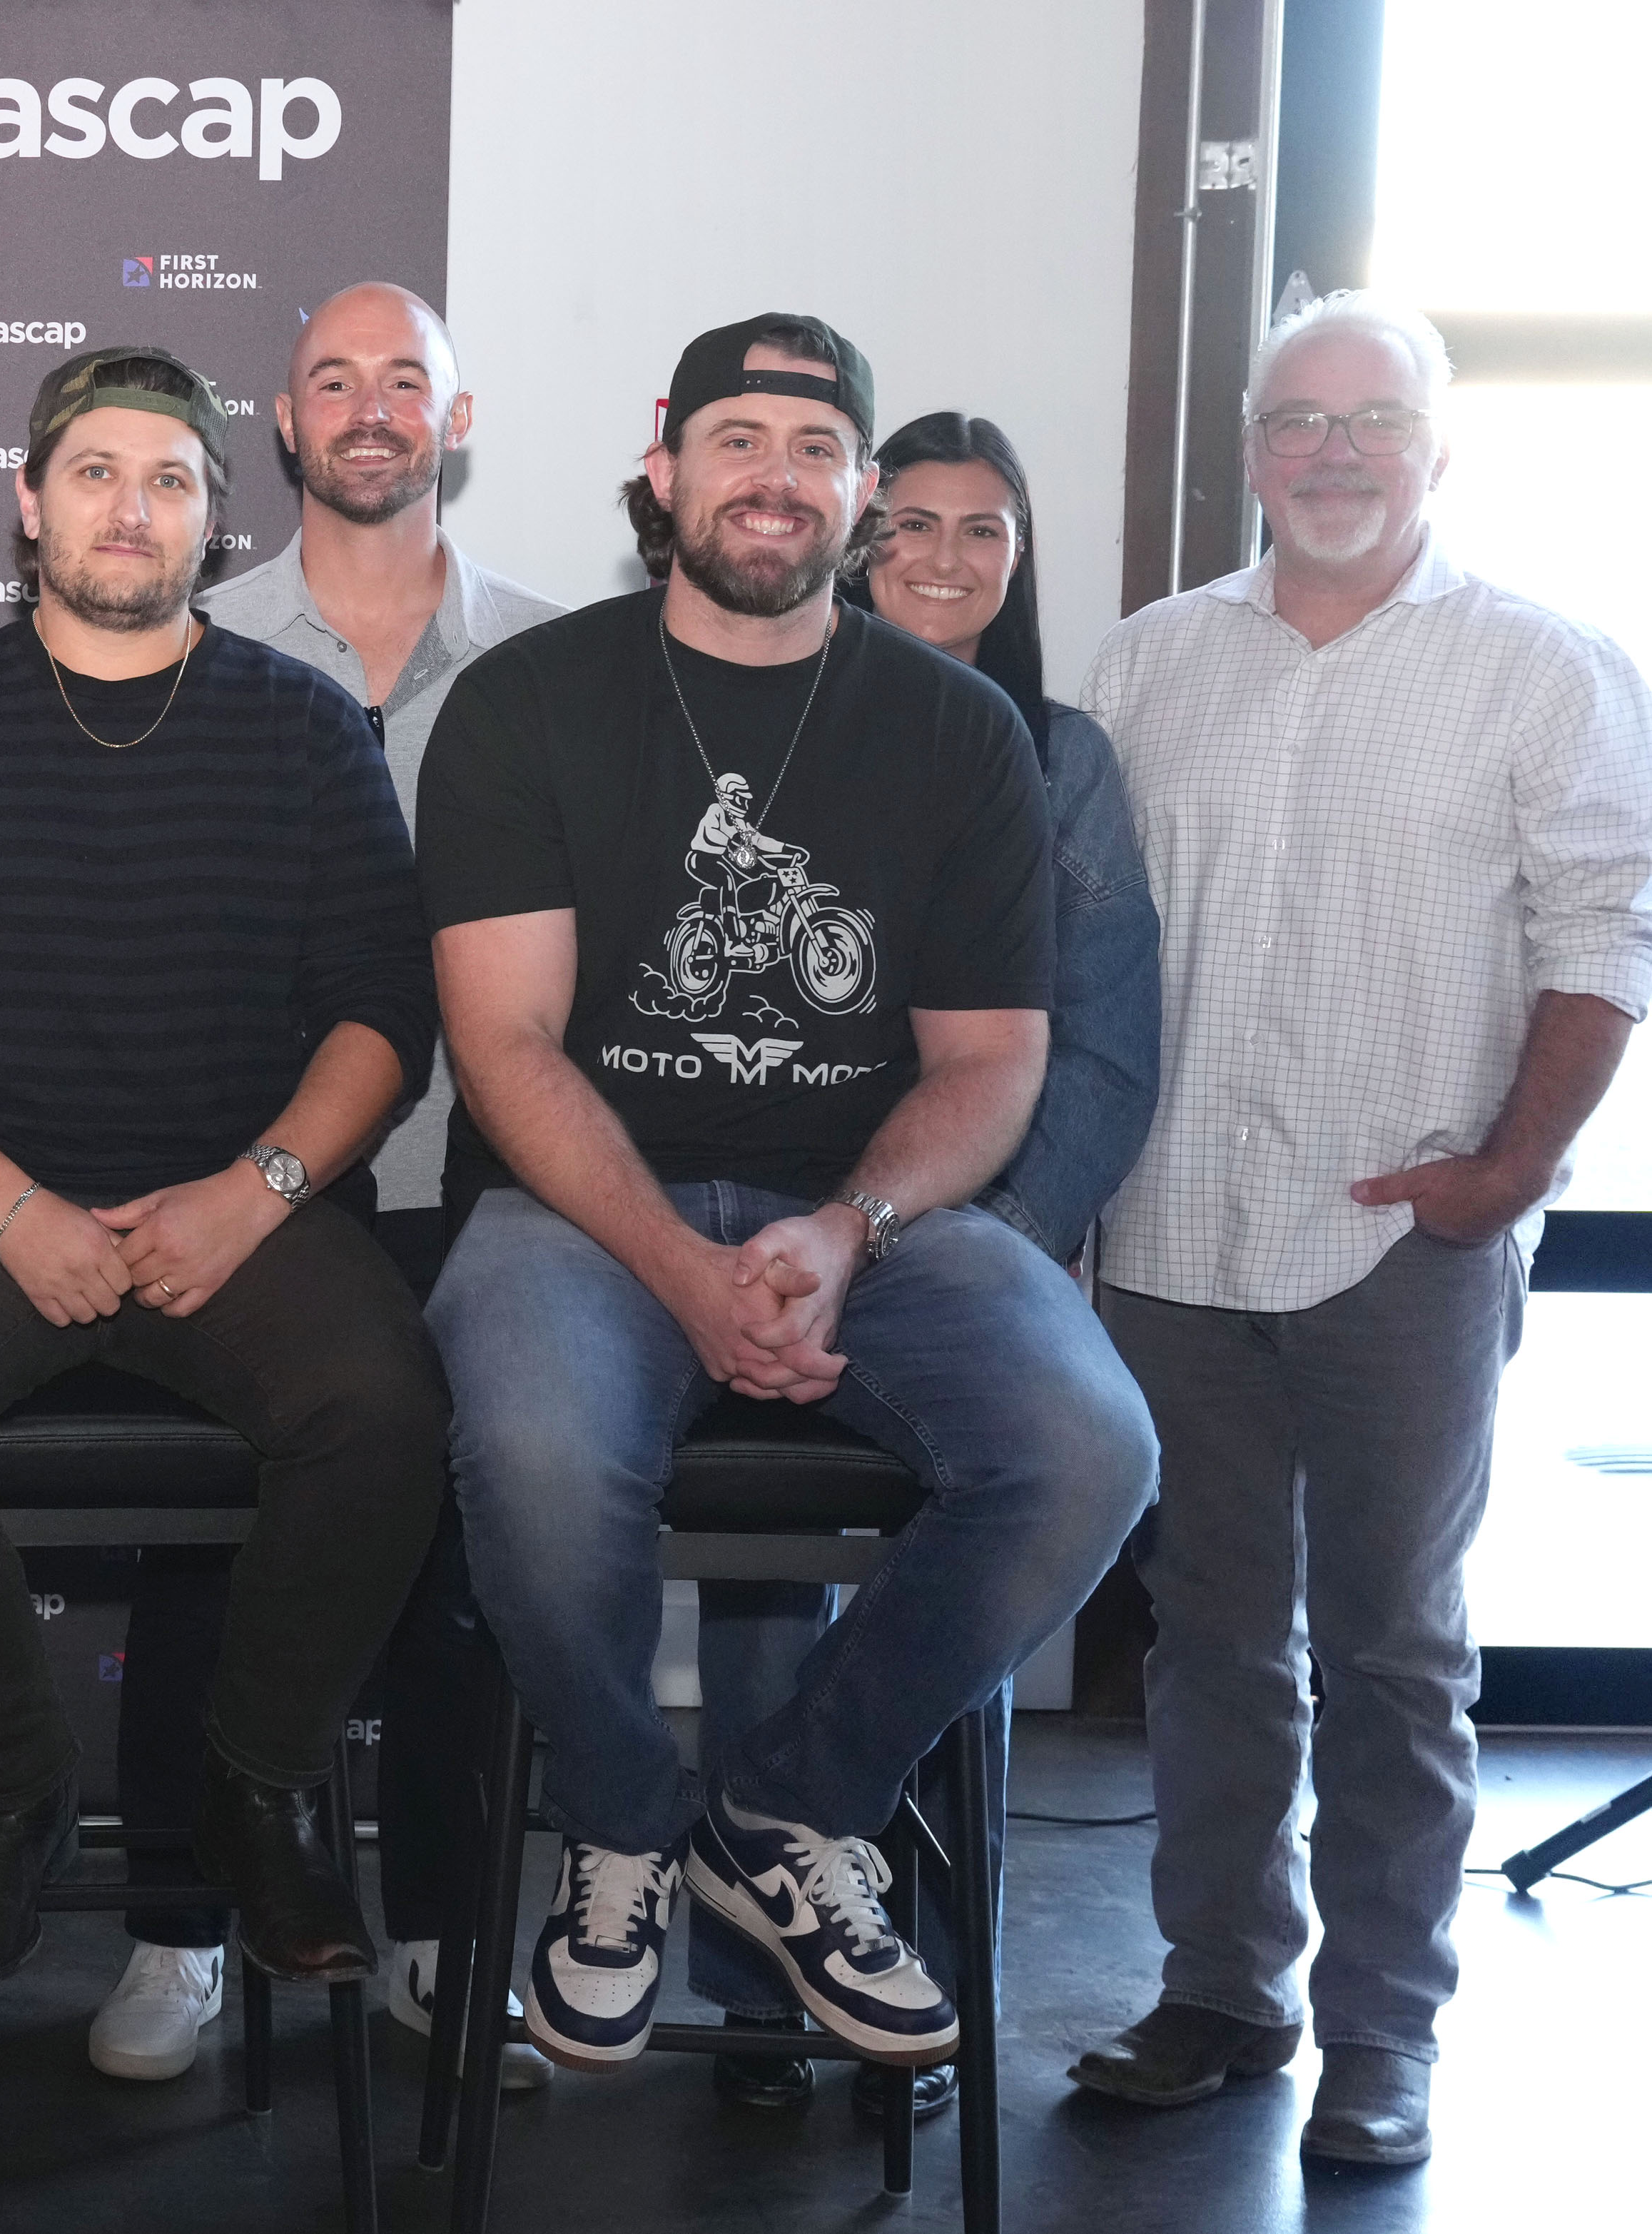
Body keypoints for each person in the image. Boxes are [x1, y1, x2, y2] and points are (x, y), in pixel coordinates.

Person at [420, 313, 1155, 2079]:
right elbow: (506, 1044)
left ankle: (786, 1809)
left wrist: (843, 1231)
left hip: (875, 1220)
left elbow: (992, 1061)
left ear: (861, 492)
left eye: (816, 448)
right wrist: (683, 1267)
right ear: (664, 468)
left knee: (1092, 1444)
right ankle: (619, 1822)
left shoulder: (962, 731)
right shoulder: (526, 700)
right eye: (737, 438)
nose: (776, 477)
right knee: (534, 1443)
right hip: (581, 1210)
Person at [1063, 290, 1652, 2168]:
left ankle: (1383, 2034)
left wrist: (1509, 1170)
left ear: (1434, 448)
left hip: (1406, 1239)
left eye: (1371, 419)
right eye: (1296, 419)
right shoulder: (1145, 662)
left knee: (1397, 1651)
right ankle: (1221, 1993)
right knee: (1211, 1637)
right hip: (1170, 1237)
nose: (1332, 452)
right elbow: (1081, 944)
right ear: (1249, 449)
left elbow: (1603, 934)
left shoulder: (1544, 668)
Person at [0, 343, 448, 1998]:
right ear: (28, 503)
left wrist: (259, 1187)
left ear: (218, 520)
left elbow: (383, 1007)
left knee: (384, 1404)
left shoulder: (306, 727)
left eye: (168, 481)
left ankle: (257, 1781)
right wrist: (9, 1206)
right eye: (94, 473)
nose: (129, 508)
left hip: (243, 1208)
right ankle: (11, 1785)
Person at [76, 279, 556, 2086]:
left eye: (404, 379)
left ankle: (441, 1927)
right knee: (202, 1555)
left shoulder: (559, 662)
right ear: (279, 426)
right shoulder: (180, 648)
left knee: (463, 1572)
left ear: (457, 416)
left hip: (490, 1185)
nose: (369, 408)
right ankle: (179, 1924)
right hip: (245, 1194)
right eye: (332, 380)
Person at [694, 406, 1165, 2119]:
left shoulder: (1059, 755)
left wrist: (1006, 1243)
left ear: (1021, 560)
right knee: (767, 1594)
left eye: (985, 530)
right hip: (758, 1235)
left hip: (959, 1239)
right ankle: (758, 1994)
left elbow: (1101, 1042)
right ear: (853, 534)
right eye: (911, 524)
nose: (944, 559)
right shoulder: (755, 723)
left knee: (985, 1573)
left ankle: (913, 1974)